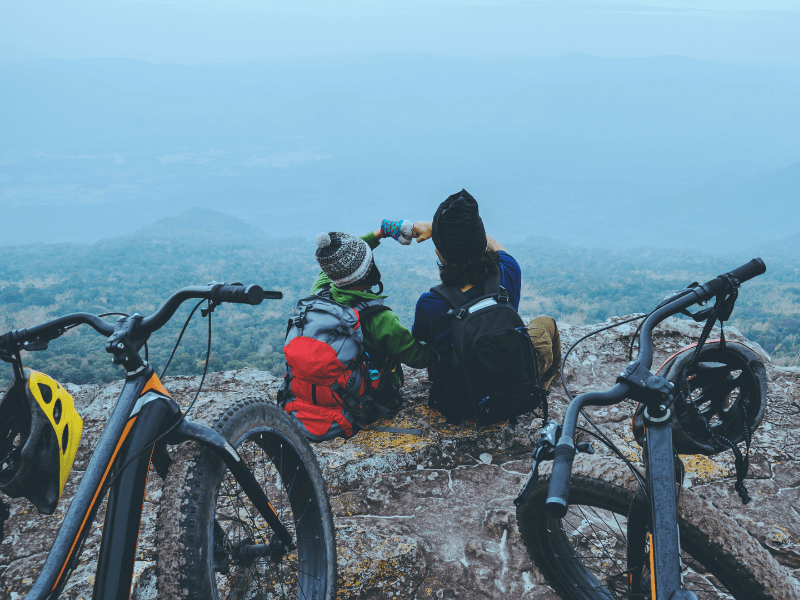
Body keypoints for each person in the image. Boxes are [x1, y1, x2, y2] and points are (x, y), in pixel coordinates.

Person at [280, 220, 432, 440]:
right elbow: (418, 358)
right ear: (369, 271)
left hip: (308, 401)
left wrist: (379, 234)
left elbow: (336, 264)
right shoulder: (380, 319)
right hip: (361, 405)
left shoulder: (321, 290)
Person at [411, 189, 562, 412]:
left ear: (439, 253)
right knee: (545, 324)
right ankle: (536, 388)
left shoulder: (430, 303)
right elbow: (492, 247)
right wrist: (446, 230)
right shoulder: (508, 271)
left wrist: (437, 230)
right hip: (510, 378)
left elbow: (422, 339)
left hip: (464, 399)